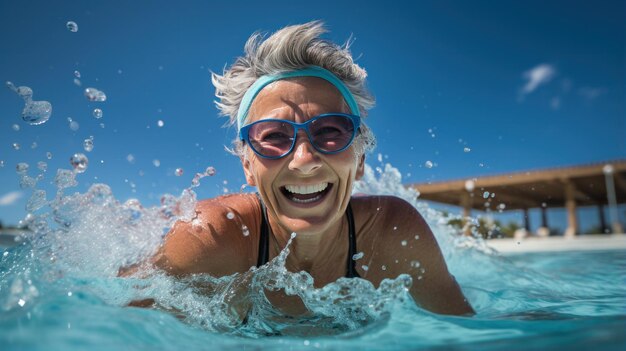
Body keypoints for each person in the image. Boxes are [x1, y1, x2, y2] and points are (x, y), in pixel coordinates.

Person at [122, 21, 474, 317]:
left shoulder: (393, 233)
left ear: (361, 159)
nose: (304, 160)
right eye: (274, 136)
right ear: (247, 166)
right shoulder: (210, 241)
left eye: (330, 131)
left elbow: (466, 333)